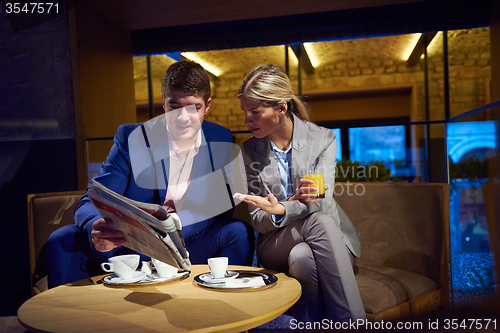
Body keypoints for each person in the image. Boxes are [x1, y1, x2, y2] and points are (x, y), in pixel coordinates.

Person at [46, 60, 254, 288]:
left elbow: (221, 211)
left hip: (187, 242)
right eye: (175, 107)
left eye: (193, 107)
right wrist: (97, 226)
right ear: (163, 105)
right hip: (130, 243)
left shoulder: (221, 139)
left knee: (237, 231)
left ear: (207, 105)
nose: (184, 118)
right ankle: (72, 321)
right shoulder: (131, 138)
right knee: (62, 239)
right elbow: (92, 199)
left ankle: (230, 315)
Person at [233, 64, 365, 322]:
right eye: (245, 112)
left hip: (331, 241)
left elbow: (320, 201)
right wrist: (287, 208)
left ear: (281, 108)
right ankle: (355, 325)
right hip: (275, 243)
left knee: (303, 257)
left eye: (255, 112)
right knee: (320, 222)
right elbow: (258, 219)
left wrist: (283, 208)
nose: (247, 120)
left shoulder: (323, 139)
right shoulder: (248, 152)